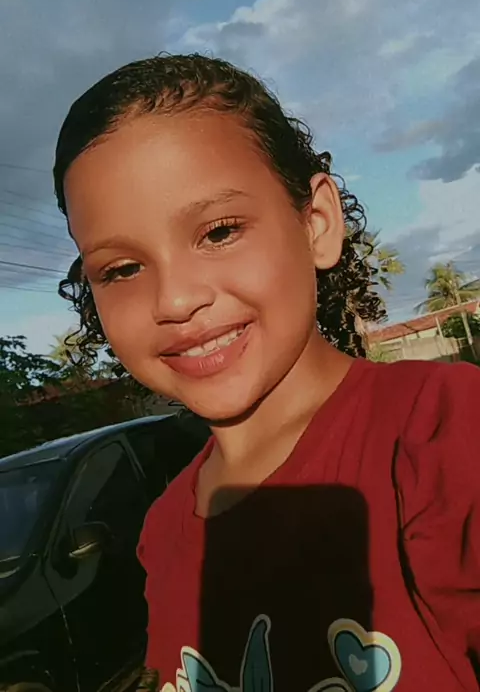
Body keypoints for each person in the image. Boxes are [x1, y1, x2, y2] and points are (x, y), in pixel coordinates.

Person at [54, 53, 480, 692]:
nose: (175, 300)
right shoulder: (163, 532)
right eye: (122, 269)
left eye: (219, 232)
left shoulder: (443, 435)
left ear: (316, 223)